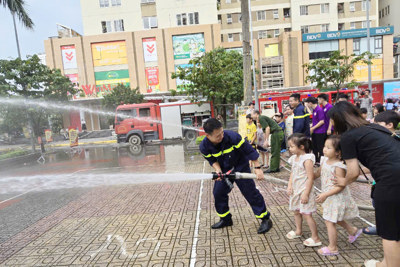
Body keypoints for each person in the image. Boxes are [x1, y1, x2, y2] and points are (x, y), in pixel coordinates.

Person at [328, 102, 400, 267]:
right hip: (394, 177)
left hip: (390, 183)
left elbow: (353, 172)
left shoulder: (348, 136)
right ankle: (384, 263)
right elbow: (384, 157)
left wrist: (343, 181)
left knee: (390, 233)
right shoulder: (375, 128)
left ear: (337, 120)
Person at [199, 118, 273, 234]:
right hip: (224, 169)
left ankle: (265, 218)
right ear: (208, 136)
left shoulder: (233, 137)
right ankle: (226, 219)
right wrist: (218, 170)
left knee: (249, 192)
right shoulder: (204, 146)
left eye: (222, 132)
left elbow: (249, 151)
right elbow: (212, 160)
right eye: (218, 136)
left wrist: (257, 168)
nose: (221, 136)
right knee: (218, 193)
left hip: (240, 166)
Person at [314, 135, 361, 256]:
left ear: (338, 152)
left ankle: (333, 248)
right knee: (334, 217)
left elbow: (341, 186)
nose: (324, 149)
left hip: (335, 196)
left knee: (329, 221)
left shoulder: (339, 166)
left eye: (328, 148)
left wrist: (325, 194)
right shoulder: (324, 160)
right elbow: (318, 173)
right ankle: (352, 230)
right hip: (328, 195)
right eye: (324, 146)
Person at [286, 133, 321, 247]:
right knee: (296, 211)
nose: (289, 149)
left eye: (291, 146)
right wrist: (289, 185)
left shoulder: (307, 159)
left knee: (306, 214)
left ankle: (315, 238)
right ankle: (298, 231)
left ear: (301, 147)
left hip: (304, 190)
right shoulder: (294, 158)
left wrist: (306, 194)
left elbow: (311, 178)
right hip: (296, 190)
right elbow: (292, 173)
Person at [305, 97, 326, 164]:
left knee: (320, 147)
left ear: (310, 103)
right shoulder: (314, 110)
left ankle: (321, 161)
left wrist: (313, 128)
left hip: (320, 132)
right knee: (314, 147)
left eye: (307, 103)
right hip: (315, 132)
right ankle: (316, 160)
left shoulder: (319, 110)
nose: (307, 105)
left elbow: (322, 121)